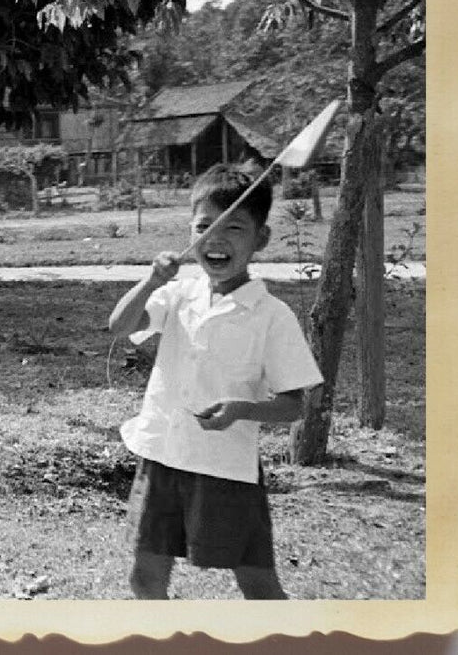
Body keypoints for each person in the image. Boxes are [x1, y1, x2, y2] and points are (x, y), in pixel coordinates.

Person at [108, 162, 323, 600]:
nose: (216, 240)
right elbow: (119, 325)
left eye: (235, 229)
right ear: (190, 232)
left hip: (225, 468)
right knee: (145, 581)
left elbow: (293, 404)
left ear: (260, 239)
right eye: (204, 226)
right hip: (162, 455)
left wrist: (241, 409)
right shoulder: (177, 293)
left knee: (258, 585)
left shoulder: (271, 316)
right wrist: (151, 280)